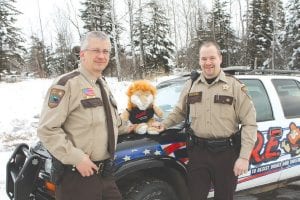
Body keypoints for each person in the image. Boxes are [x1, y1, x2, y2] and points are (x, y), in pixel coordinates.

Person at [153, 41, 257, 200]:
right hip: (198, 153)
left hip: (226, 154)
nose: (208, 63)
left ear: (220, 58)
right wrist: (164, 124)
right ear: (199, 61)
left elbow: (249, 123)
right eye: (203, 59)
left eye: (212, 58)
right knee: (194, 196)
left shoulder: (235, 86)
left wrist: (243, 157)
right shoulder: (191, 85)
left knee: (224, 197)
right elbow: (180, 111)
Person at [37, 31, 132, 200]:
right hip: (77, 177)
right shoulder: (67, 84)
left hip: (105, 173)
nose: (101, 56)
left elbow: (110, 122)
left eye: (106, 51)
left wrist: (134, 126)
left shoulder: (101, 84)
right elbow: (47, 130)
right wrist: (77, 158)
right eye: (96, 50)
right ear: (82, 54)